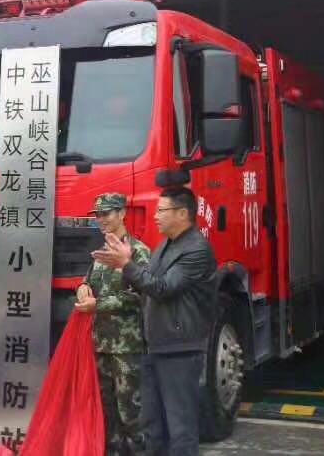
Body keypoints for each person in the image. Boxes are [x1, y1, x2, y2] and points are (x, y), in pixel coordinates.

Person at [92, 187, 217, 456]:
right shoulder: (165, 246)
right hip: (155, 345)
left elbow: (163, 288)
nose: (155, 216)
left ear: (182, 213)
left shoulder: (196, 249)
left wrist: (126, 264)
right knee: (152, 426)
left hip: (179, 348)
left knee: (180, 428)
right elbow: (146, 284)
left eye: (161, 210)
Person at [76, 193, 151, 456]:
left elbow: (141, 296)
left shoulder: (138, 252)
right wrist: (82, 288)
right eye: (97, 215)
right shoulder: (102, 253)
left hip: (126, 347)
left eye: (106, 213)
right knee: (106, 409)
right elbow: (89, 281)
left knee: (130, 410)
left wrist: (98, 304)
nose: (101, 219)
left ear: (122, 213)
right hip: (101, 344)